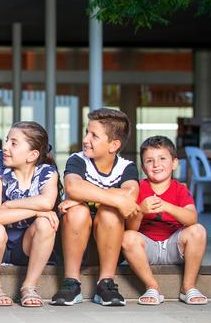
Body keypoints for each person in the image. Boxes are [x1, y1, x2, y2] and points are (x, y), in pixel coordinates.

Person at [51, 108, 139, 307]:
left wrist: (84, 197)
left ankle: (105, 283)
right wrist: (110, 197)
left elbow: (129, 197)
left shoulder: (127, 167)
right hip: (72, 242)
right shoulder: (77, 160)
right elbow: (73, 186)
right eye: (86, 132)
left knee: (110, 212)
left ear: (113, 145)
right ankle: (71, 283)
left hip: (110, 244)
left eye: (94, 135)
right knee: (77, 211)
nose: (86, 139)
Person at [0, 121, 60, 307]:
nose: (5, 146)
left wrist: (9, 205)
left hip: (26, 246)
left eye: (14, 143)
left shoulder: (47, 173)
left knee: (46, 224)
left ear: (32, 155)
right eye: (7, 140)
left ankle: (29, 286)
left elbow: (48, 202)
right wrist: (36, 210)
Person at [122, 136, 207, 305]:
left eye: (162, 158)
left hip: (174, 245)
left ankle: (188, 287)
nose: (156, 164)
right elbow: (131, 227)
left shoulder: (180, 189)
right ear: (143, 167)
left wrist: (167, 206)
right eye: (149, 160)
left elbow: (192, 218)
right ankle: (152, 286)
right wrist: (140, 211)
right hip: (147, 248)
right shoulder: (138, 188)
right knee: (127, 237)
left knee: (198, 230)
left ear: (174, 163)